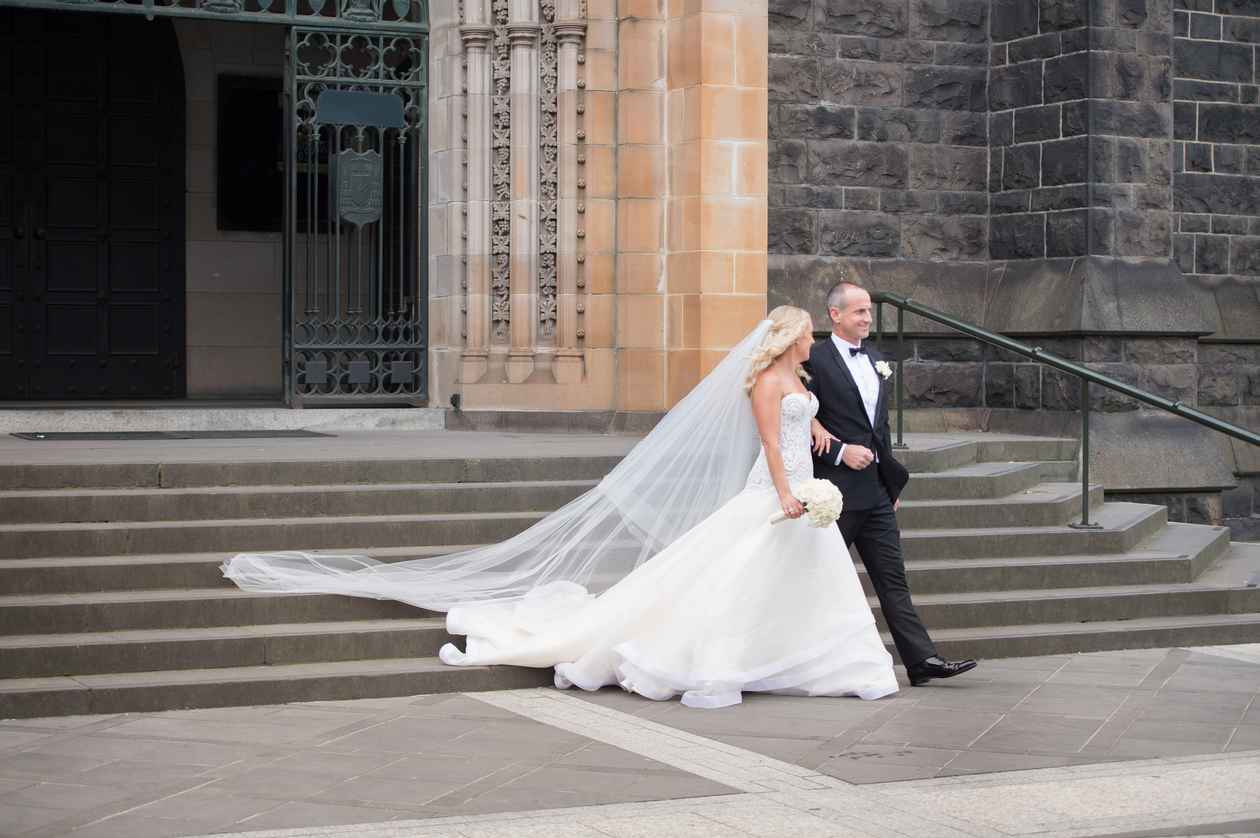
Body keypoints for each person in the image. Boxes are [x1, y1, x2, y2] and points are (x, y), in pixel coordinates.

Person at [223, 306, 899, 708]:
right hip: (775, 492)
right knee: (731, 581)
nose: (815, 338)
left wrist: (822, 439)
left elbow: (798, 426)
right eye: (809, 332)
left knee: (795, 581)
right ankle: (714, 661)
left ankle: (831, 664)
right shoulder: (764, 381)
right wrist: (786, 491)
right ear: (791, 337)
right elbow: (768, 442)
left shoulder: (798, 379)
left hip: (806, 489)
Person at [805, 279, 977, 687]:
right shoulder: (812, 358)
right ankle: (795, 658)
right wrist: (838, 452)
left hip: (877, 492)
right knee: (815, 580)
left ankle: (922, 660)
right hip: (833, 491)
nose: (868, 318)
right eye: (860, 311)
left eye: (869, 311)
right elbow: (794, 420)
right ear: (835, 315)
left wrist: (889, 483)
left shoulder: (877, 358)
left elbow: (878, 429)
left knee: (893, 579)